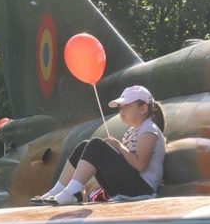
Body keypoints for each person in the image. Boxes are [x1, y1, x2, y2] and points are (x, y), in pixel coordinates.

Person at [31, 85, 166, 206]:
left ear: (143, 109)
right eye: (120, 107)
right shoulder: (133, 131)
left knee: (96, 145)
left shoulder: (149, 129)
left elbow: (140, 165)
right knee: (85, 146)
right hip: (129, 187)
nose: (121, 111)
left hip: (141, 189)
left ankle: (72, 192)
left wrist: (119, 146)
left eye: (127, 106)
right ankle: (58, 190)